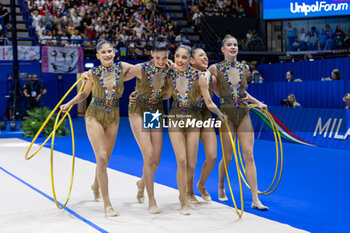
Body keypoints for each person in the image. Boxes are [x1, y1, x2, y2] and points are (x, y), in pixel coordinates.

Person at [60, 40, 134, 217]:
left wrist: (162, 63)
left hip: (113, 115)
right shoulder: (93, 73)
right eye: (104, 52)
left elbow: (141, 70)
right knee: (100, 157)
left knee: (105, 159)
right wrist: (69, 104)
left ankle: (95, 185)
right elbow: (85, 94)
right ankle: (107, 204)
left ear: (114, 53)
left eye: (110, 51)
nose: (108, 54)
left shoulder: (122, 68)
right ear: (98, 56)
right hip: (95, 114)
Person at [208, 35, 268, 211]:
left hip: (243, 114)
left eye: (235, 44)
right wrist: (223, 98)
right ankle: (220, 186)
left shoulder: (244, 67)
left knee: (248, 156)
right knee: (228, 157)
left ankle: (255, 199)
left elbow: (243, 93)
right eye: (229, 45)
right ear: (223, 49)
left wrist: (258, 102)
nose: (233, 47)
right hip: (226, 115)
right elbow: (210, 87)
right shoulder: (215, 68)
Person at [168, 42, 227, 215]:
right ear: (191, 61)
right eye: (200, 55)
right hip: (188, 115)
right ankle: (188, 192)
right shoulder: (178, 73)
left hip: (204, 116)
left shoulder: (208, 76)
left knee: (212, 155)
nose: (205, 57)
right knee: (187, 159)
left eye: (206, 55)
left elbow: (220, 95)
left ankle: (200, 184)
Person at [124, 36, 172, 214]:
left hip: (154, 111)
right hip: (138, 108)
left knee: (156, 160)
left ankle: (142, 182)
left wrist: (168, 84)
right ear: (151, 54)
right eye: (157, 58)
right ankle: (152, 201)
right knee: (149, 154)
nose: (160, 62)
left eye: (164, 58)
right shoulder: (140, 69)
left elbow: (167, 96)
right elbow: (118, 78)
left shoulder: (168, 70)